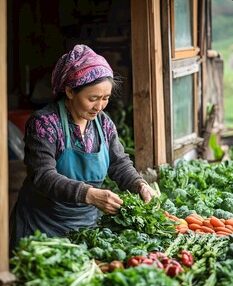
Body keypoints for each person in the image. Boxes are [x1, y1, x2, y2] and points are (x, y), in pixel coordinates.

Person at [10, 44, 158, 252]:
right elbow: (42, 175)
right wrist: (90, 194)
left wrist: (139, 185)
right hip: (41, 228)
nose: (99, 107)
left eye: (105, 99)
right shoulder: (44, 124)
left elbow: (119, 164)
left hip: (86, 230)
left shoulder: (103, 124)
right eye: (92, 98)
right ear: (70, 91)